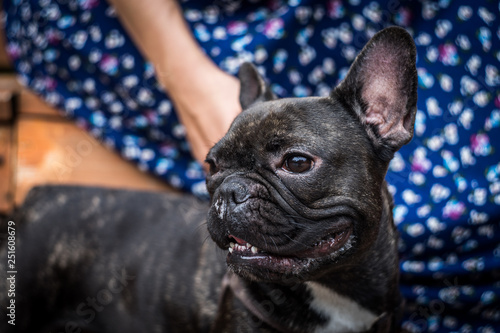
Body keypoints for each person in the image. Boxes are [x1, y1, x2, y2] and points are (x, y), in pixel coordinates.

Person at [3, 0, 499, 331]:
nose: (230, 196)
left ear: (384, 119)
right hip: (38, 247)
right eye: (218, 171)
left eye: (296, 162)